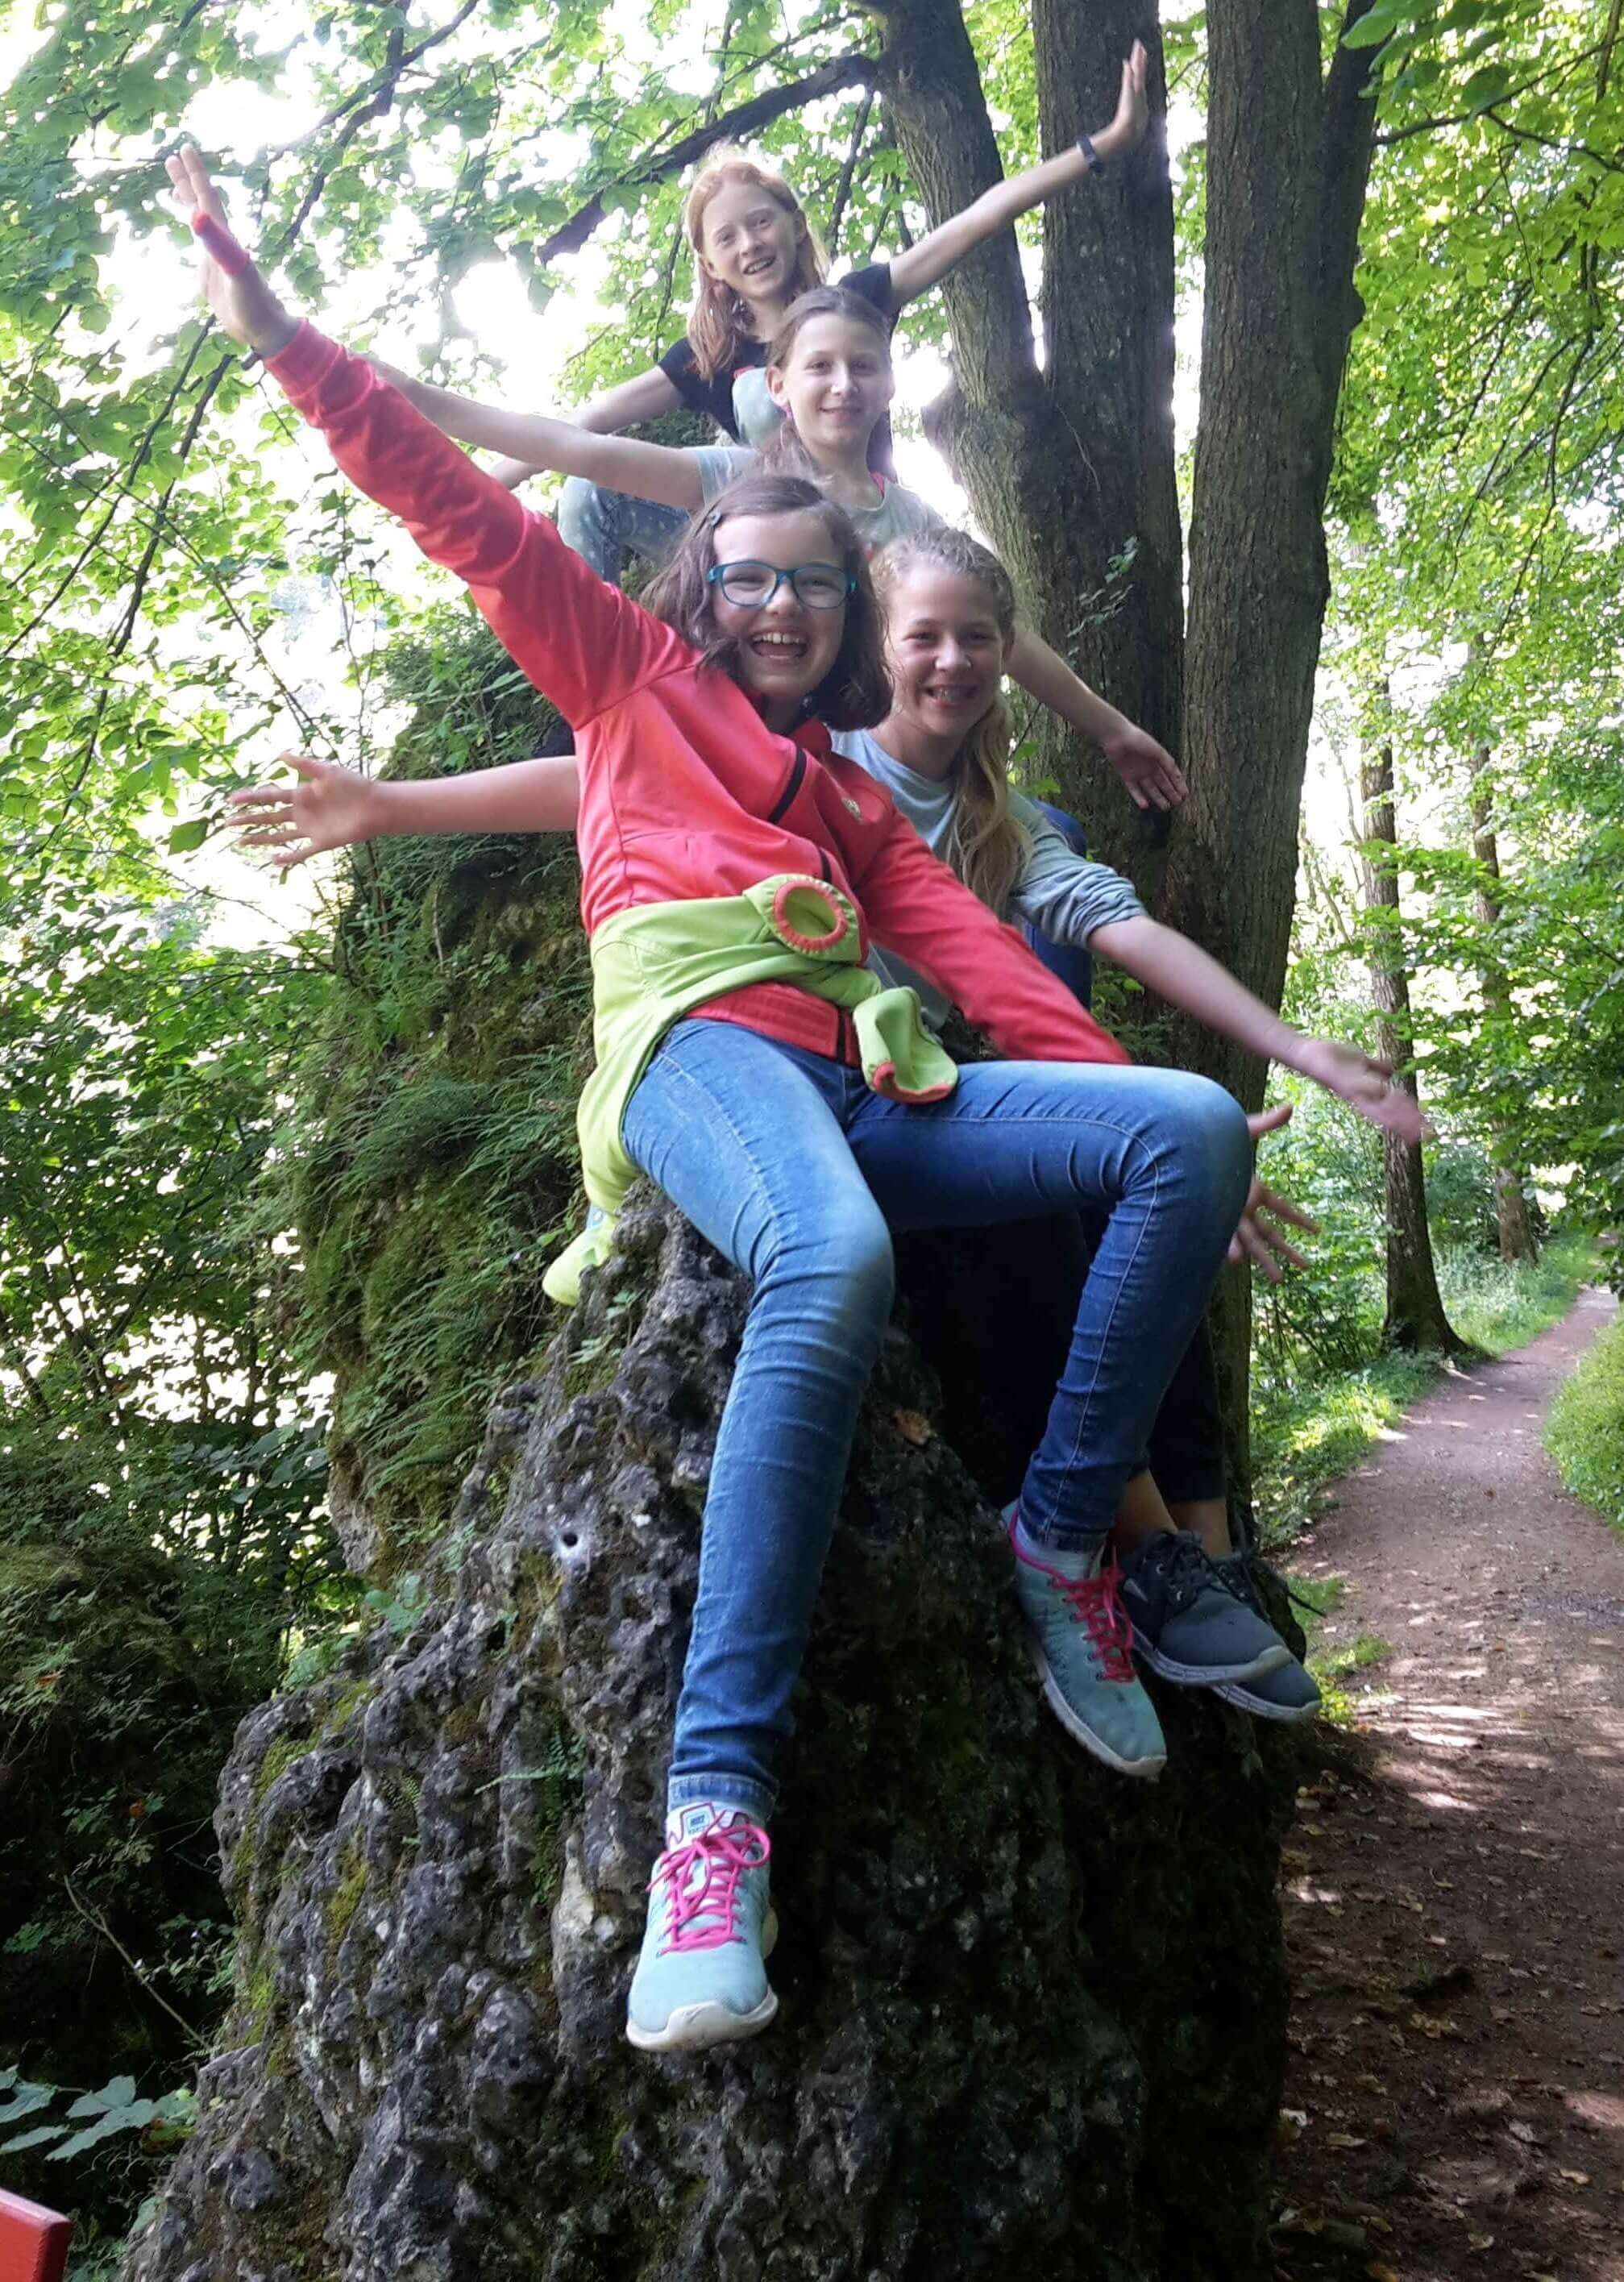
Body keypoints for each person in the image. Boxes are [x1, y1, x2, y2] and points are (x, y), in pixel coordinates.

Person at [175, 146, 1416, 2056]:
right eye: (745, 575)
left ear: (838, 613)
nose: (771, 604)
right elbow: (462, 509)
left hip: (866, 1071)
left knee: (1167, 1130)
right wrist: (282, 336)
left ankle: (1061, 1541)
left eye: (805, 586)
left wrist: (1119, 1106)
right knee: (821, 1256)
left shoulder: (846, 798)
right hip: (699, 1061)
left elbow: (992, 975)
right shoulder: (623, 676)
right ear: (706, 579)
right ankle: (711, 1823)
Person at [373, 281, 1188, 814]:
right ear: (778, 387)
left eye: (862, 366)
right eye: (820, 367)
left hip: (855, 755)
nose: (843, 385)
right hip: (745, 741)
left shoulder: (911, 520)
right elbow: (584, 453)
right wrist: (417, 401)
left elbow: (1005, 641)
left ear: (889, 384)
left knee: (1047, 840)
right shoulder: (739, 478)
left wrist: (1109, 727)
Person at [487, 48, 1150, 560]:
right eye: (727, 237)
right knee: (588, 485)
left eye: (762, 221)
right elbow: (593, 417)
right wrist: (487, 483)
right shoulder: (708, 355)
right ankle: (601, 690)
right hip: (754, 535)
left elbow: (977, 219)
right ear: (711, 265)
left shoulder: (853, 303)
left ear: (794, 224)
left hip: (859, 525)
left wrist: (1105, 143)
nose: (750, 243)